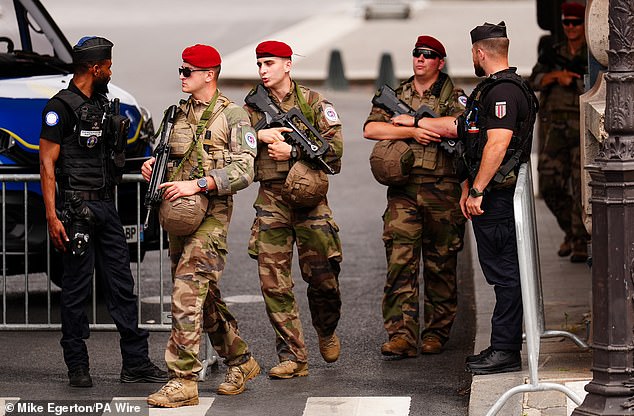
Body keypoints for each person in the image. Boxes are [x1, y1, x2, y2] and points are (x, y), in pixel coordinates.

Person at [392, 22, 538, 374]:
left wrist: (477, 189)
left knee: (505, 276)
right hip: (491, 195)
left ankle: (505, 350)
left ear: (479, 53)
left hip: (496, 199)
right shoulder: (489, 90)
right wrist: (416, 121)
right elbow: (461, 128)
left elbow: (497, 143)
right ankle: (502, 345)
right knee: (500, 274)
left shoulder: (502, 91)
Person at [39, 36, 167, 387]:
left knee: (122, 288)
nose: (111, 72)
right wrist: (52, 216)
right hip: (76, 210)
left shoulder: (101, 104)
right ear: (95, 68)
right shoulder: (59, 107)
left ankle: (136, 364)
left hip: (106, 207)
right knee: (77, 291)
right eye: (108, 66)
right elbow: (46, 166)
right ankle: (77, 366)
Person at [143, 44, 259, 407]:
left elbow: (245, 169)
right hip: (179, 216)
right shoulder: (174, 114)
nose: (181, 76)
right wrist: (152, 167)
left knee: (186, 293)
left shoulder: (234, 116)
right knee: (204, 301)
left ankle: (183, 380)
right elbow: (166, 154)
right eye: (181, 70)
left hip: (212, 218)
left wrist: (199, 183)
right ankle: (241, 360)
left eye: (188, 71)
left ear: (209, 74)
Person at [244, 40, 343, 379]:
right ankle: (294, 356)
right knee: (274, 284)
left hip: (310, 200)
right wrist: (262, 136)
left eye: (269, 63)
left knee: (324, 280)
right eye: (259, 64)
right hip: (271, 200)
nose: (263, 70)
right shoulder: (252, 109)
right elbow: (235, 142)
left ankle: (326, 330)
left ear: (288, 65)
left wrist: (294, 153)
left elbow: (335, 152)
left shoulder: (314, 103)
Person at [363, 35, 467, 357]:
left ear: (440, 62)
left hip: (443, 191)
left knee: (440, 264)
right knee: (400, 263)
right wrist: (411, 132)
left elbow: (460, 126)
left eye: (428, 55)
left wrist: (421, 121)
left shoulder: (455, 96)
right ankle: (402, 335)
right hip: (404, 192)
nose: (420, 59)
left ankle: (436, 332)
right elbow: (371, 129)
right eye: (417, 54)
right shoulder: (396, 95)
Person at [529, 1, 589, 263]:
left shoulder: (592, 54)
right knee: (549, 182)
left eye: (576, 22)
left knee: (580, 186)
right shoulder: (553, 52)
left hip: (581, 127)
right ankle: (569, 231)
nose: (571, 27)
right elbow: (533, 80)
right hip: (555, 127)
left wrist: (572, 80)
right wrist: (555, 77)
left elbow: (597, 85)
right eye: (567, 22)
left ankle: (580, 240)